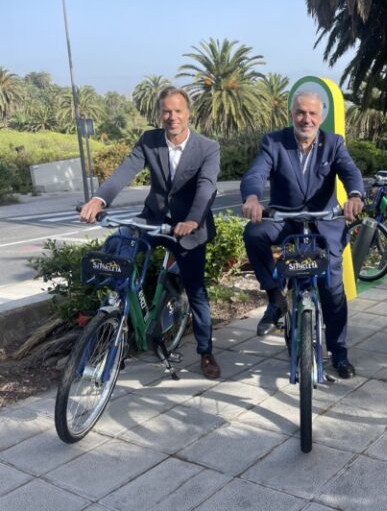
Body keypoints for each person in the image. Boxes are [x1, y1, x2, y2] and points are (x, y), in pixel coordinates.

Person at [80, 86, 222, 379]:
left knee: (196, 291)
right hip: (154, 219)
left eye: (178, 111)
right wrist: (99, 199)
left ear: (188, 113)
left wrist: (193, 220)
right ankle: (117, 318)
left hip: (188, 227)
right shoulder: (150, 140)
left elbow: (207, 186)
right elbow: (124, 172)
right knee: (120, 244)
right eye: (166, 111)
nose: (172, 117)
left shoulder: (208, 147)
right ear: (160, 114)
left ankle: (206, 352)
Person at [241, 90, 365, 379]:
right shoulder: (274, 141)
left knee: (333, 289)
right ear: (291, 114)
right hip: (287, 219)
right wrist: (251, 198)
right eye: (300, 112)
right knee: (254, 233)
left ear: (320, 117)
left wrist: (356, 195)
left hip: (325, 223)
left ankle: (338, 352)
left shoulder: (333, 143)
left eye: (312, 114)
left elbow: (350, 171)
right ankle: (275, 296)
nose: (306, 119)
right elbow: (256, 173)